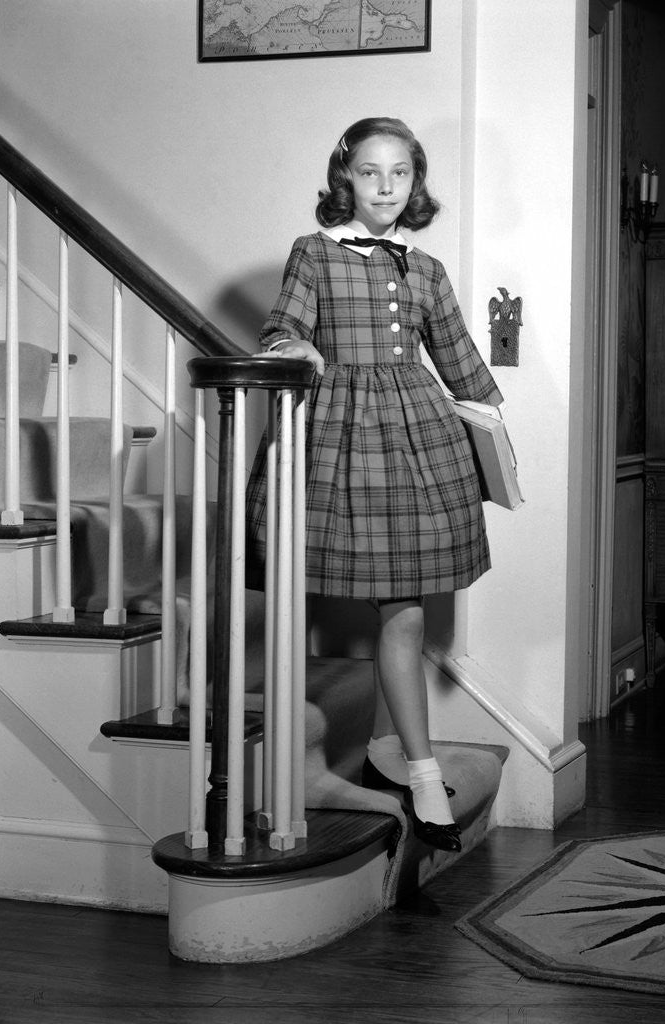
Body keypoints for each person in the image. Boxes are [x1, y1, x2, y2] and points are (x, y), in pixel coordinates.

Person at [246, 117, 504, 852]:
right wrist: (293, 345)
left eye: (400, 172)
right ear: (344, 180)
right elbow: (283, 327)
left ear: (414, 182)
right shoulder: (314, 253)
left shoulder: (424, 269)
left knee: (407, 614)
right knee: (297, 596)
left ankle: (421, 774)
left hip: (414, 439)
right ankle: (281, 768)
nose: (386, 186)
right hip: (332, 437)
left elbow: (460, 363)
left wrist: (494, 441)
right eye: (369, 172)